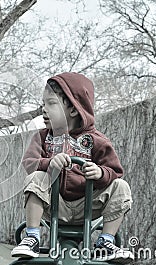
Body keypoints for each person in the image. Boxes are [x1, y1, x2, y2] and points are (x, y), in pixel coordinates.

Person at [10, 72, 134, 263]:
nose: (43, 109)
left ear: (74, 110)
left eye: (51, 104)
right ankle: (32, 236)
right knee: (35, 179)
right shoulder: (43, 138)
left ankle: (106, 242)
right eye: (43, 103)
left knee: (121, 186)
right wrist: (49, 164)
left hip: (88, 205)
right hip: (54, 203)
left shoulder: (96, 140)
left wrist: (100, 173)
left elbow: (115, 170)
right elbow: (29, 163)